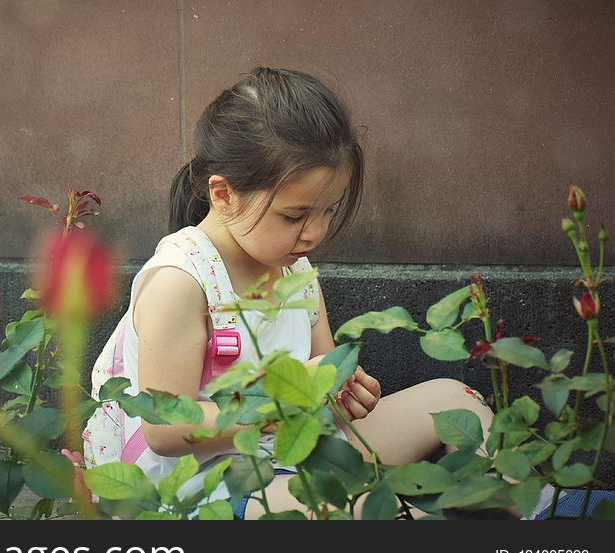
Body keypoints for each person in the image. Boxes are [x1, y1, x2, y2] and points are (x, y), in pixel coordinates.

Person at [100, 66, 509, 519]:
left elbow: (324, 382)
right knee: (368, 510)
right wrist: (284, 403)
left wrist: (342, 395)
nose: (314, 233)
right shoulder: (180, 282)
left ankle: (530, 510)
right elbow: (167, 429)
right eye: (295, 216)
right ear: (223, 194)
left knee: (454, 401)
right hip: (201, 486)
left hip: (290, 455)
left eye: (328, 211)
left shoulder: (294, 267)